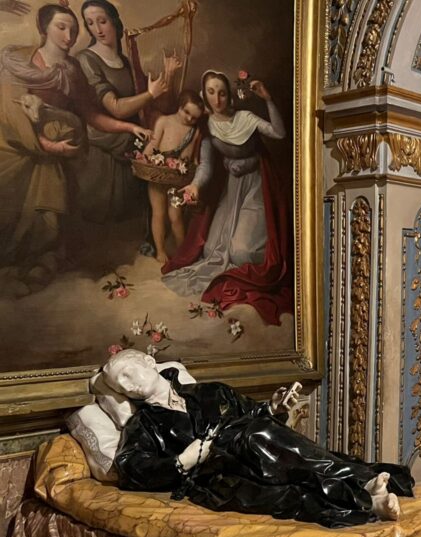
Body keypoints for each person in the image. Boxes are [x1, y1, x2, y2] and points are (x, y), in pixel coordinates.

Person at [106, 349, 412, 527]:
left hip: (259, 449)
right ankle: (365, 493)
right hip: (218, 477)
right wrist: (181, 461)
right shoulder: (142, 425)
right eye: (120, 384)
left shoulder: (210, 391)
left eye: (129, 373)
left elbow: (252, 412)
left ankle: (364, 489)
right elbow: (130, 467)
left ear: (149, 362)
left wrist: (273, 408)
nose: (128, 385)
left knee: (258, 435)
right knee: (286, 491)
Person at [0, 4, 150, 296]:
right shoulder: (19, 60)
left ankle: (40, 264)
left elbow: (90, 115)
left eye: (73, 29)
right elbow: (7, 110)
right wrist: (44, 144)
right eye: (61, 27)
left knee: (51, 212)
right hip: (17, 148)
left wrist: (129, 127)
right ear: (44, 28)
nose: (69, 35)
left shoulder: (72, 70)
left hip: (54, 156)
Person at [162, 70, 292, 326]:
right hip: (232, 190)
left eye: (222, 93)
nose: (217, 99)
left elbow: (279, 133)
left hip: (256, 188)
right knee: (212, 251)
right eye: (211, 93)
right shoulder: (208, 127)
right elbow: (206, 166)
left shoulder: (245, 118)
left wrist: (268, 99)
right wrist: (195, 186)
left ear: (228, 94)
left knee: (241, 253)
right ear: (205, 95)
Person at [75, 0, 181, 247]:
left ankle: (154, 238)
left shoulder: (126, 62)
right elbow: (116, 108)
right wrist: (150, 94)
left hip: (133, 139)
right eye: (90, 23)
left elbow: (155, 108)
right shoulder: (87, 59)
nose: (97, 29)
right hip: (105, 140)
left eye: (102, 21)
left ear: (114, 22)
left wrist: (169, 74)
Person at [142, 90, 204, 263]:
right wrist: (143, 159)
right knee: (159, 213)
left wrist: (193, 173)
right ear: (180, 107)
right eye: (187, 112)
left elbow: (194, 158)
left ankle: (182, 251)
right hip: (158, 175)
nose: (189, 119)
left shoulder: (195, 131)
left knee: (176, 216)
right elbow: (153, 144)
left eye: (194, 117)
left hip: (178, 179)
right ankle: (160, 251)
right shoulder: (164, 121)